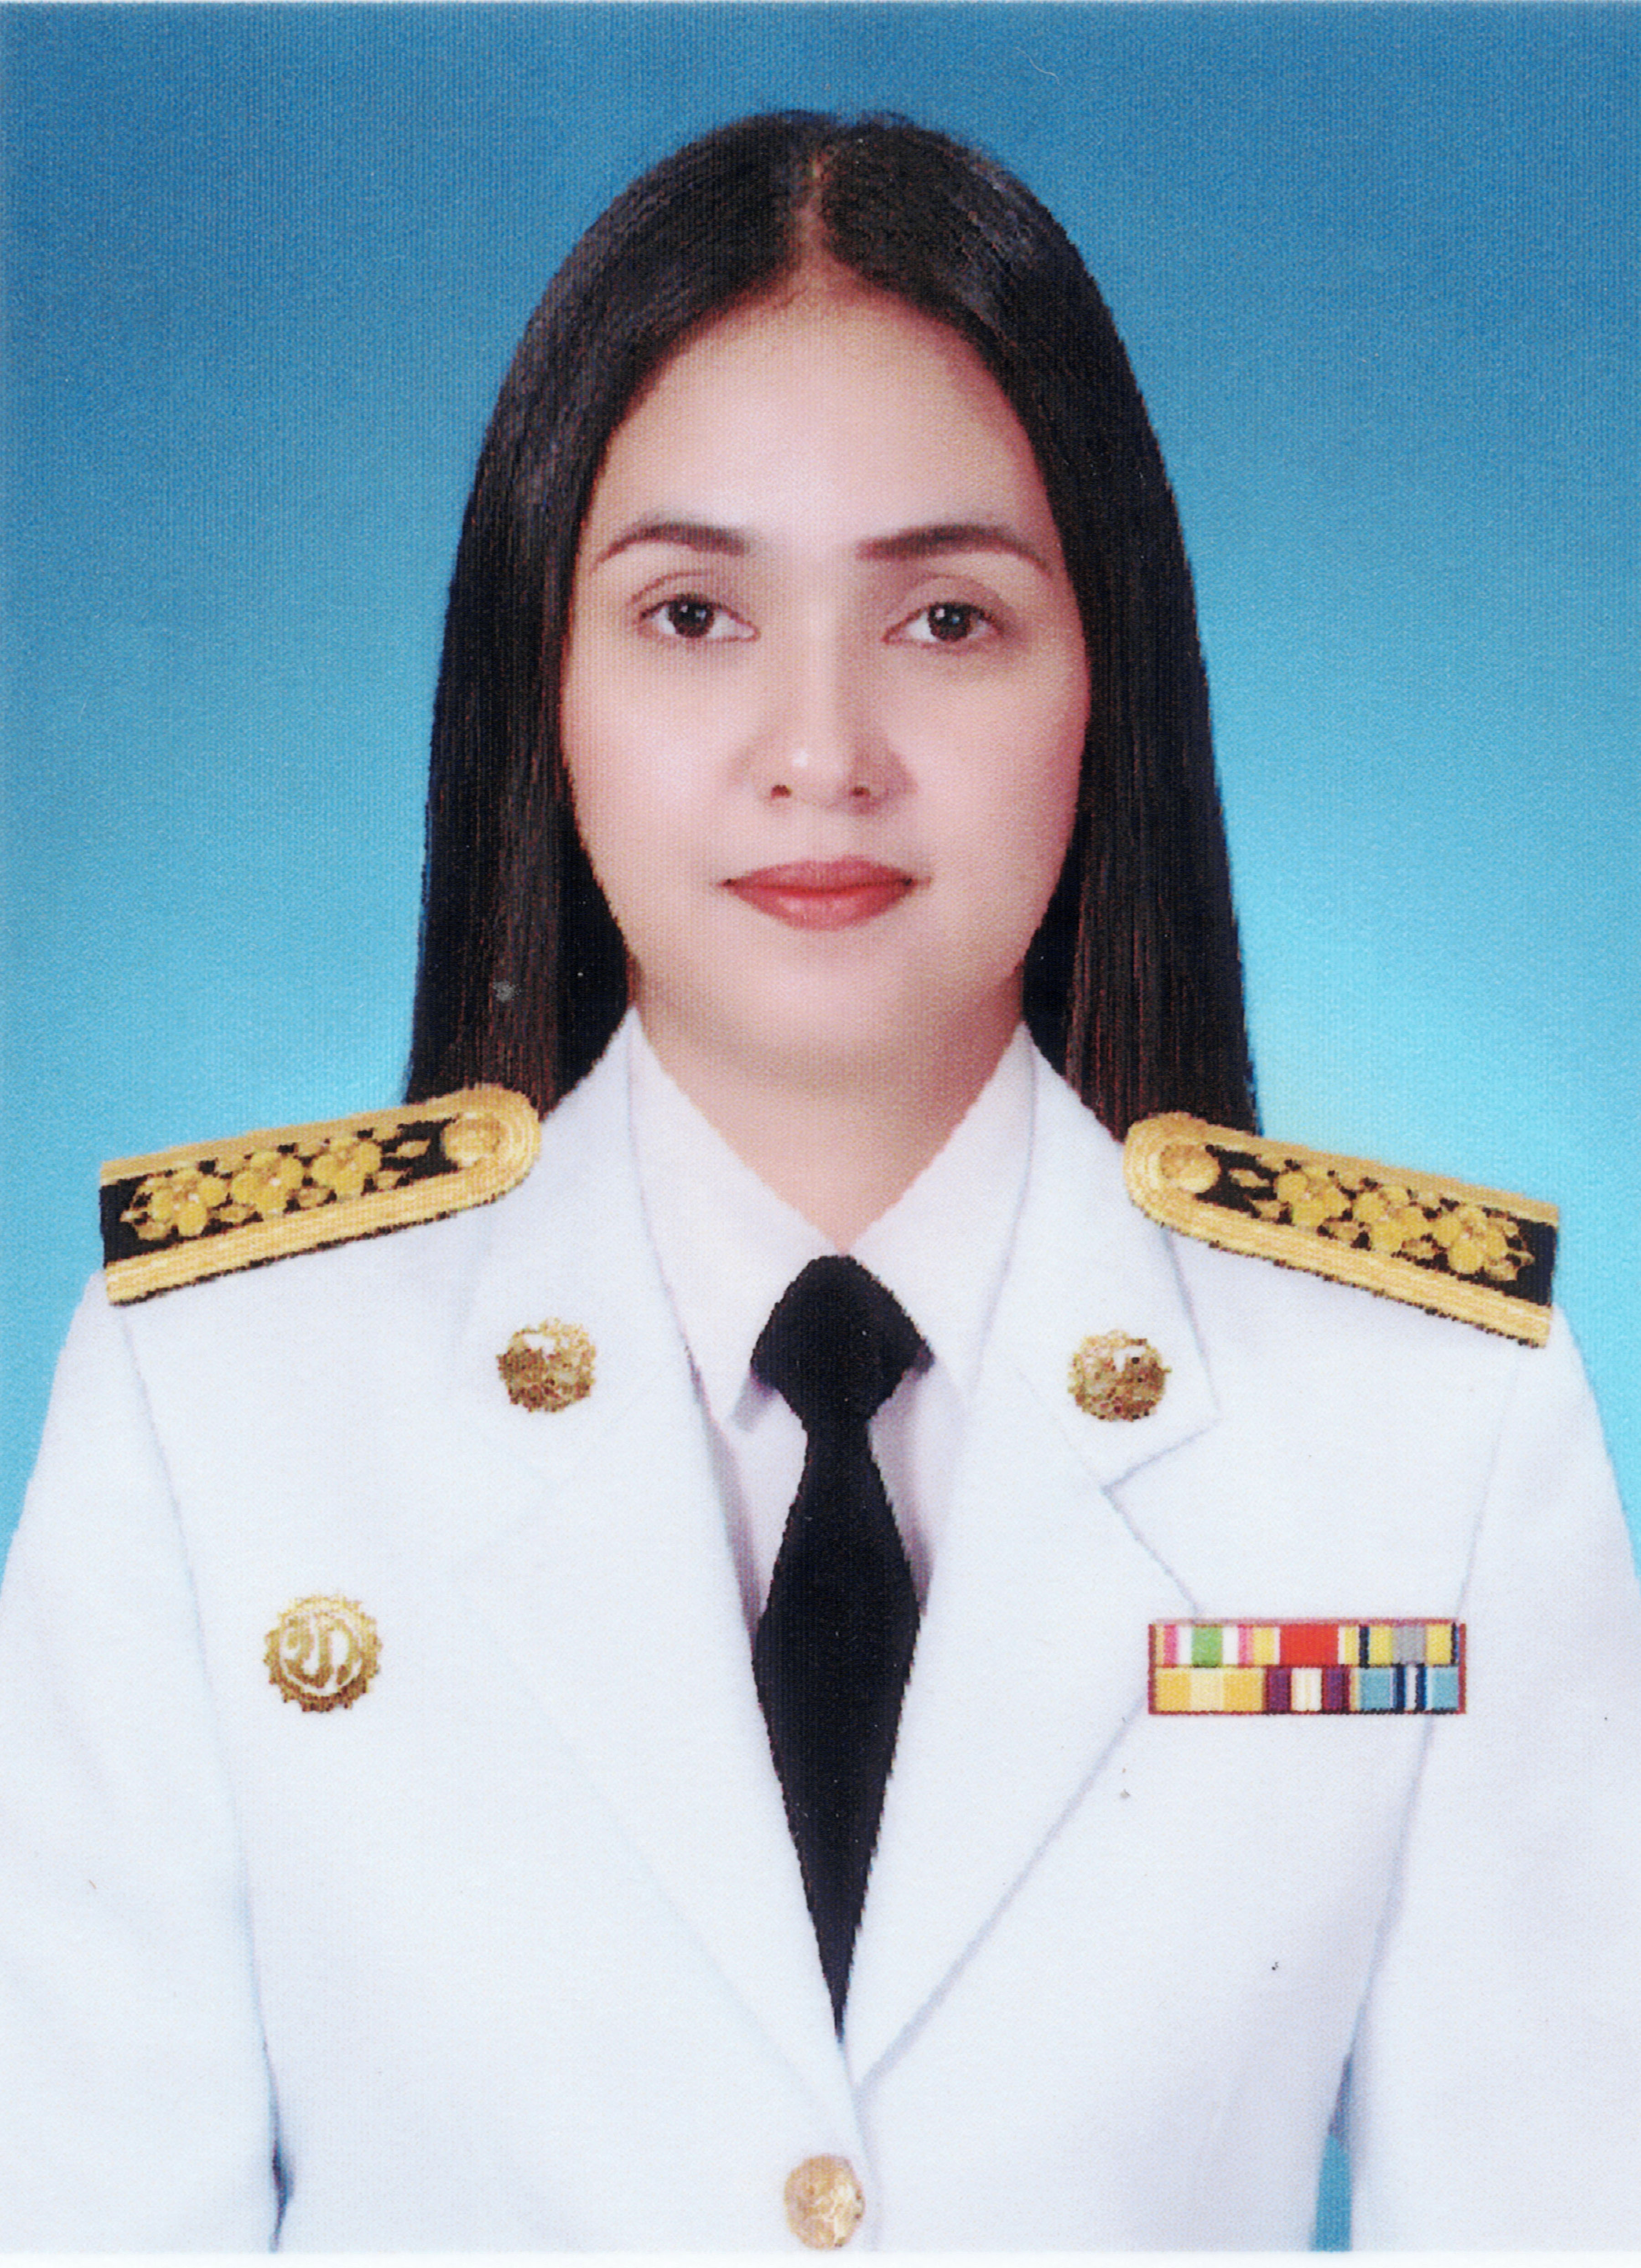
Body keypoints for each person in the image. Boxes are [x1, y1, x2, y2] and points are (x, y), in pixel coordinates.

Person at [1, 112, 1636, 2250]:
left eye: (948, 617)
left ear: (1107, 680)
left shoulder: (1424, 1423)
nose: (821, 751)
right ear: (539, 682)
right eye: (692, 613)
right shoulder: (225, 1393)